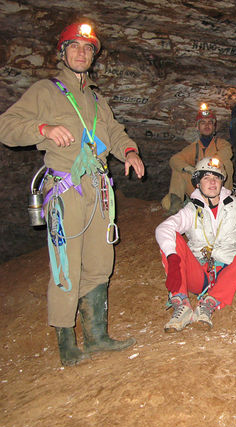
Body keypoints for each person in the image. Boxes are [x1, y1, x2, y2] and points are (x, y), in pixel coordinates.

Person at [0, 22, 145, 366]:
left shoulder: (96, 99)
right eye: (75, 46)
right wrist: (43, 128)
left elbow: (113, 130)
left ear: (93, 57)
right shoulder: (45, 91)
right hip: (65, 190)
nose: (82, 52)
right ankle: (68, 344)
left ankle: (96, 337)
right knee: (66, 266)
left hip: (98, 189)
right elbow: (6, 125)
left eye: (88, 48)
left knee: (100, 263)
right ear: (63, 52)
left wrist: (129, 151)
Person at [155, 157, 236, 332]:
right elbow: (164, 228)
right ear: (198, 183)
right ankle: (181, 305)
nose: (212, 182)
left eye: (216, 177)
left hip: (226, 270)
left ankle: (208, 304)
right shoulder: (191, 210)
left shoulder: (234, 205)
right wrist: (172, 259)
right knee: (173, 239)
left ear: (221, 182)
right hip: (199, 274)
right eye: (206, 177)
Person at [161, 103, 233, 214]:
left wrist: (211, 163)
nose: (207, 125)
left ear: (214, 127)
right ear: (198, 127)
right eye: (203, 123)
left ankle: (223, 201)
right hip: (198, 189)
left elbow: (227, 152)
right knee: (179, 169)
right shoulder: (193, 148)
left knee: (226, 163)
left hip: (216, 186)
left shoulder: (222, 144)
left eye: (210, 123)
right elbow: (174, 159)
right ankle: (175, 206)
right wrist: (188, 168)